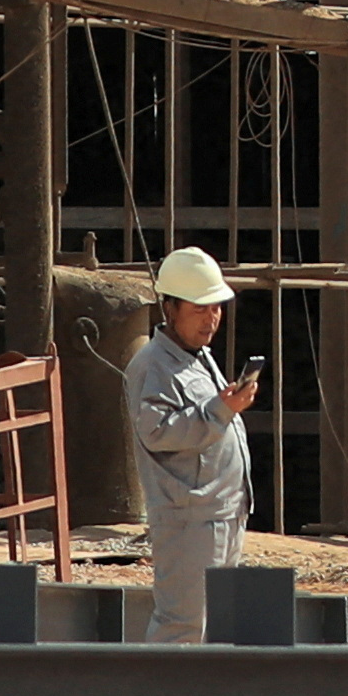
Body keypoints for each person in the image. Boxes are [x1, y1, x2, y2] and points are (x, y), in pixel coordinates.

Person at [128, 245, 261, 645]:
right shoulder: (153, 365)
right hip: (189, 520)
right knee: (182, 625)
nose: (212, 318)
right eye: (200, 308)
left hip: (220, 512)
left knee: (216, 626)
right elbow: (157, 432)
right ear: (170, 308)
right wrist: (220, 411)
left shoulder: (197, 357)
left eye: (216, 307)